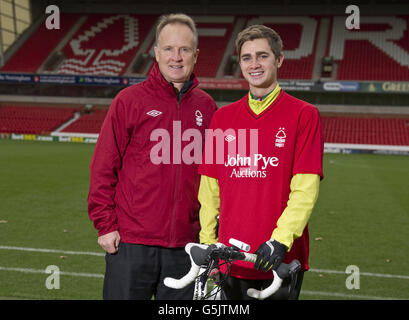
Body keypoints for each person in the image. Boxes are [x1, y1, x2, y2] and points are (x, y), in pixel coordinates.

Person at [87, 13, 218, 300]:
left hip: (186, 247)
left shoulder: (208, 107)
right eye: (168, 49)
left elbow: (216, 179)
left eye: (184, 49)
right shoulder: (128, 101)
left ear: (195, 55)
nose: (176, 57)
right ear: (156, 53)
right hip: (131, 244)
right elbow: (103, 167)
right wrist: (105, 225)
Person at [198, 24, 324, 300]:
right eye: (247, 57)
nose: (254, 64)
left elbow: (305, 188)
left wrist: (279, 240)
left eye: (262, 56)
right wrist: (208, 243)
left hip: (278, 260)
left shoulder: (305, 114)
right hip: (230, 258)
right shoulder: (222, 118)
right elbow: (210, 189)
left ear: (279, 60)